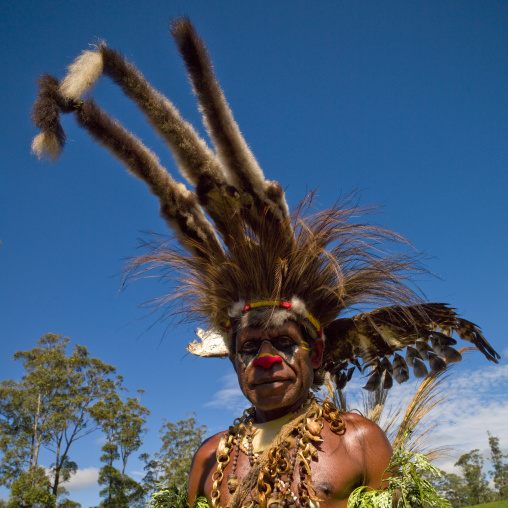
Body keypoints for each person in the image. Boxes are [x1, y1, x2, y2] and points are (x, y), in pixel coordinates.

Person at [31, 17, 499, 508]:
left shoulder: (359, 442)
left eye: (282, 341)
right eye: (251, 345)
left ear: (315, 354)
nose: (267, 359)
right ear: (234, 360)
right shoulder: (209, 459)